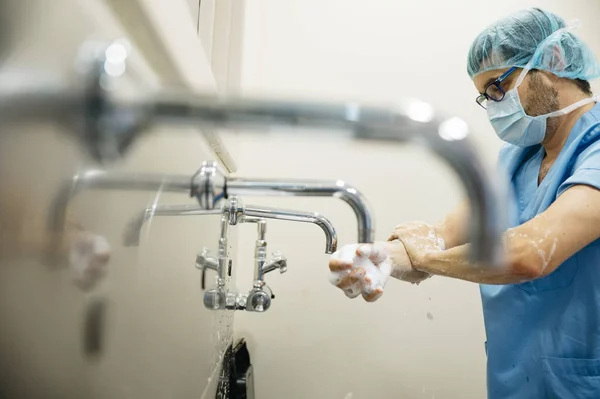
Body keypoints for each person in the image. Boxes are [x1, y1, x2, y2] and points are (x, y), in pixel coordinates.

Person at [328, 8, 600, 398]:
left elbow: (531, 253)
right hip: (514, 379)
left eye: (497, 86)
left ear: (553, 63)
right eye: (485, 96)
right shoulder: (517, 157)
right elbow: (447, 233)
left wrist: (424, 261)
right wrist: (384, 256)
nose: (493, 105)